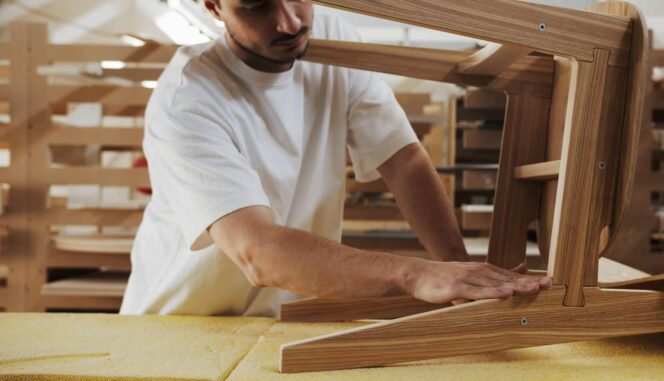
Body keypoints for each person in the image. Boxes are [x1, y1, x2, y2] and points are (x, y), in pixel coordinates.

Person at [120, 0, 551, 317]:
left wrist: (457, 271)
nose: (289, 21)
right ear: (214, 8)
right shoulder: (190, 100)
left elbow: (402, 160)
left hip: (277, 318)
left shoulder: (334, 38)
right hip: (182, 325)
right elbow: (256, 251)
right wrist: (415, 275)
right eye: (257, 7)